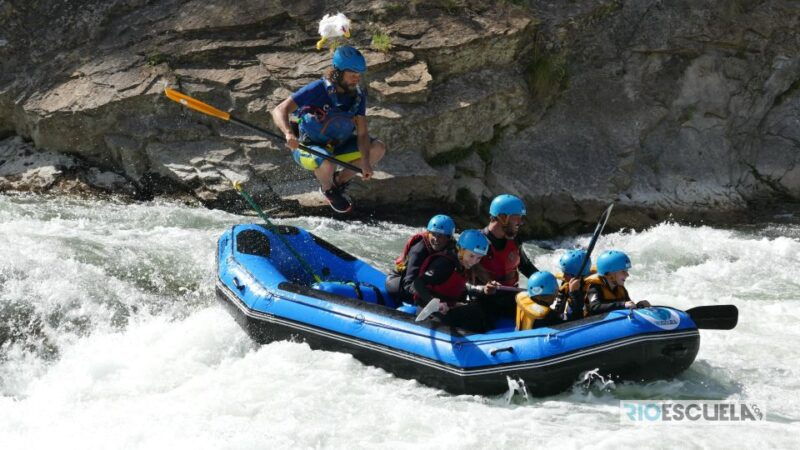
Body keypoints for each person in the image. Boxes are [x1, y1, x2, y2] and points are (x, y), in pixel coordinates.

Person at [271, 45, 386, 213]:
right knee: (326, 160)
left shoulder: (357, 96)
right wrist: (289, 134)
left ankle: (338, 182)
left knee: (378, 148)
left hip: (338, 147)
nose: (356, 79)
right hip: (308, 148)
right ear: (338, 72)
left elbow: (362, 134)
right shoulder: (317, 88)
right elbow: (279, 110)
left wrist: (366, 163)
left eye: (358, 75)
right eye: (352, 74)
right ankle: (327, 189)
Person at [411, 229, 498, 332]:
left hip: (448, 307)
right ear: (460, 250)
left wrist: (483, 290)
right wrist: (434, 303)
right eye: (471, 256)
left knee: (478, 311)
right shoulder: (444, 264)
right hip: (428, 310)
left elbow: (459, 286)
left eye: (479, 258)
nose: (474, 261)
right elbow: (416, 284)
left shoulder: (463, 264)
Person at [479, 194, 539, 320]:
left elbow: (525, 266)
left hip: (511, 296)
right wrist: (483, 288)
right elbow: (463, 275)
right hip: (485, 300)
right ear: (502, 217)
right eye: (517, 218)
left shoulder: (515, 240)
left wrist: (544, 281)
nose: (521, 223)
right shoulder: (477, 241)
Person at [385, 214, 456, 304]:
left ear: (449, 238)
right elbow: (408, 284)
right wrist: (430, 299)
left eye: (441, 236)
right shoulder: (418, 250)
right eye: (433, 234)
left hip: (421, 281)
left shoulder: (452, 247)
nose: (436, 239)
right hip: (398, 282)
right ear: (428, 233)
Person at [585, 250, 651, 315]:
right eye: (623, 271)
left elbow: (628, 305)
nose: (627, 275)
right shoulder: (594, 287)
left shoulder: (620, 288)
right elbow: (595, 307)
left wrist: (639, 305)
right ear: (610, 274)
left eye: (627, 271)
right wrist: (623, 304)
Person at [552, 249, 592, 321]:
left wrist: (574, 293)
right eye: (563, 272)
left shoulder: (591, 287)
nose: (563, 276)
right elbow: (558, 310)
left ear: (578, 276)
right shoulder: (566, 284)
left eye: (566, 274)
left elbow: (579, 315)